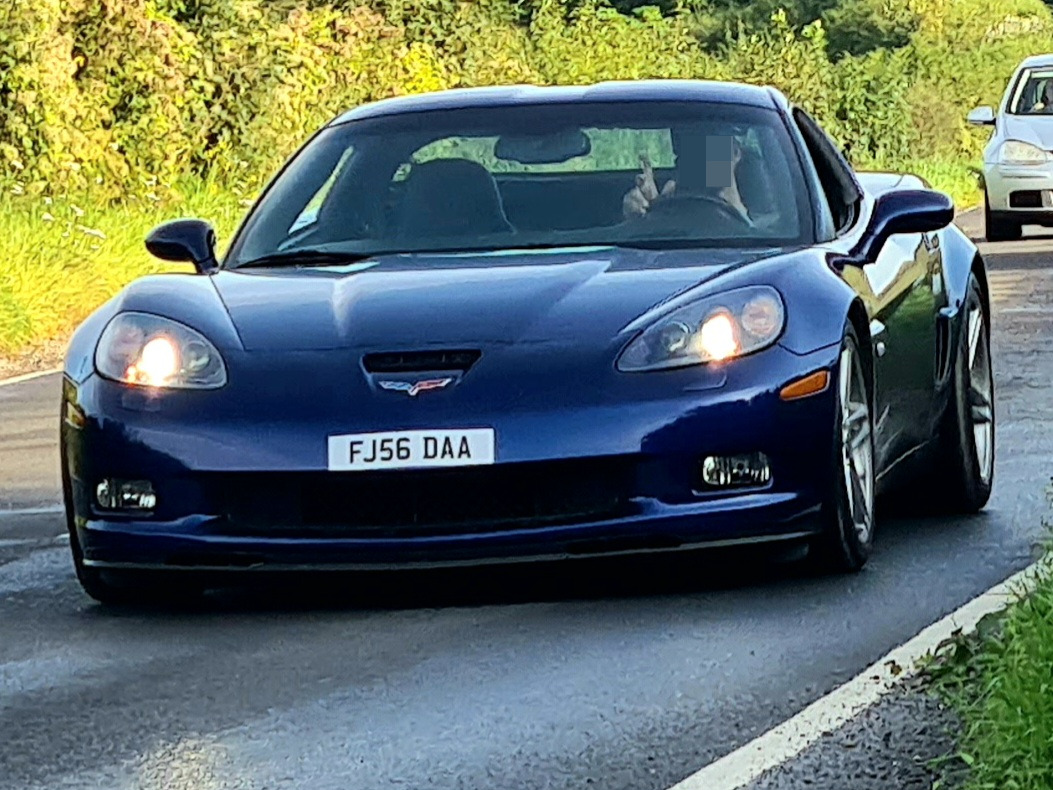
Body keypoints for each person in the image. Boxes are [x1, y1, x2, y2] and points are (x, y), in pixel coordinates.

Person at [621, 130, 753, 224]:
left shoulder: (765, 226)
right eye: (691, 149)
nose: (702, 158)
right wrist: (644, 213)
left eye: (713, 148)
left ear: (735, 153)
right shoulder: (665, 213)